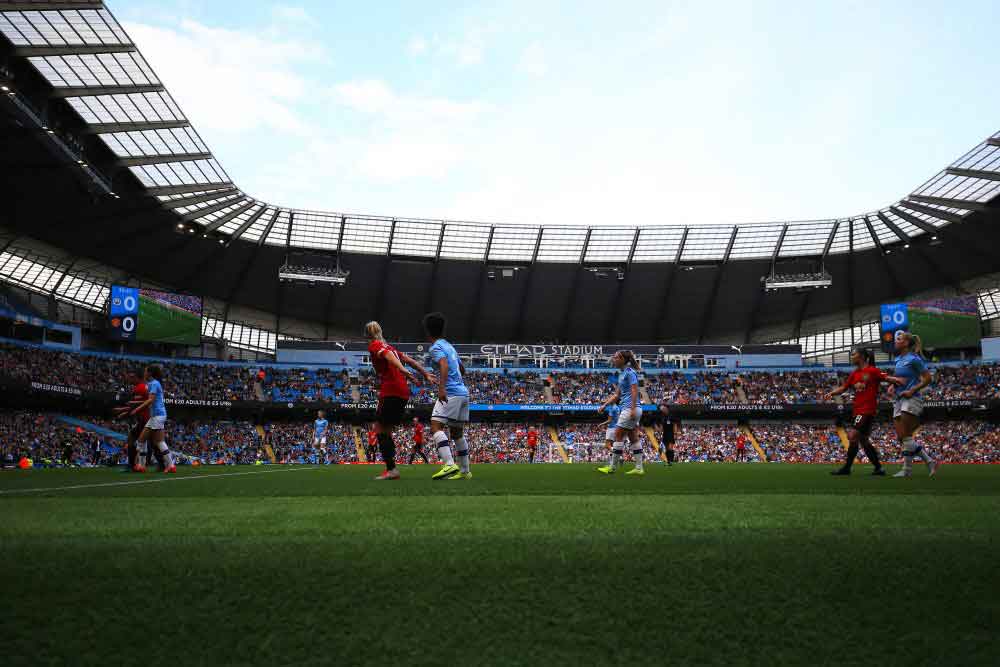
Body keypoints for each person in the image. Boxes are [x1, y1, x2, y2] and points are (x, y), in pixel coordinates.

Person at [366, 321, 431, 480]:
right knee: (386, 430)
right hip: (403, 392)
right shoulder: (391, 347)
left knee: (380, 429)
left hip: (391, 390)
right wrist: (425, 373)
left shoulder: (374, 345)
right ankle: (392, 467)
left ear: (367, 335)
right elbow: (411, 360)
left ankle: (391, 469)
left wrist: (405, 372)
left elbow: (390, 359)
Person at [823, 348, 890, 476]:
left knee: (852, 436)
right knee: (863, 440)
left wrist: (898, 381)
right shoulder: (854, 373)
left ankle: (847, 468)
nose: (851, 356)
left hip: (866, 410)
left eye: (854, 354)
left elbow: (887, 378)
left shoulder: (872, 370)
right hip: (858, 410)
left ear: (862, 357)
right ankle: (878, 468)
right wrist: (832, 393)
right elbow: (844, 387)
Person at [423, 312, 472, 480]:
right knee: (457, 433)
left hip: (450, 392)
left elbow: (443, 365)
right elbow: (462, 369)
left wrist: (442, 388)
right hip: (463, 393)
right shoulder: (450, 346)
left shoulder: (435, 347)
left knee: (436, 426)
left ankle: (449, 464)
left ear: (427, 332)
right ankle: (465, 471)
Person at [885, 331, 938, 478]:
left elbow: (927, 379)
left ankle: (907, 470)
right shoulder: (897, 360)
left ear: (906, 343)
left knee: (906, 434)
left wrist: (913, 389)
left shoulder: (914, 359)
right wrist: (892, 386)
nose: (896, 341)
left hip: (911, 398)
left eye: (899, 339)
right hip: (898, 398)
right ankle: (929, 461)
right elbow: (900, 378)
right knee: (902, 437)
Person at [597, 350, 645, 476]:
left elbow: (635, 391)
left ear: (623, 359)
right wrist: (604, 405)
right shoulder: (622, 374)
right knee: (633, 437)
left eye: (616, 357)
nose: (614, 359)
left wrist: (633, 408)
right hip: (628, 408)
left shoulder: (630, 373)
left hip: (630, 408)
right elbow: (617, 394)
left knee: (618, 435)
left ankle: (612, 467)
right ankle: (639, 468)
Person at [129, 364, 176, 474]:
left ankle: (141, 465)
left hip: (157, 416)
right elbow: (149, 400)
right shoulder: (152, 384)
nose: (144, 373)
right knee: (159, 442)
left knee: (141, 440)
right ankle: (170, 466)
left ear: (150, 373)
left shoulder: (154, 384)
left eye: (146, 371)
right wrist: (135, 403)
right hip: (158, 415)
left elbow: (150, 400)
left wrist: (136, 410)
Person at [658, 401, 678, 466]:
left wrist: (675, 434)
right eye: (662, 409)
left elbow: (675, 425)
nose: (663, 410)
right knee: (666, 448)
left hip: (671, 433)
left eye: (663, 409)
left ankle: (671, 461)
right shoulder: (662, 416)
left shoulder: (671, 416)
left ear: (666, 409)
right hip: (665, 434)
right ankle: (668, 461)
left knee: (670, 448)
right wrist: (660, 433)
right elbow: (661, 426)